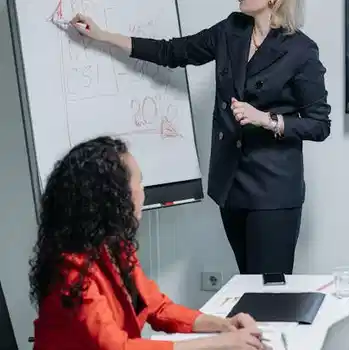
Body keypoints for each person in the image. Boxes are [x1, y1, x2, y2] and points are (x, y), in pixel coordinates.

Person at [69, 0, 331, 275]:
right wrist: (103, 36)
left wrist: (265, 119)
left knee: (268, 293)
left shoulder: (300, 50)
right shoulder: (232, 30)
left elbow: (319, 124)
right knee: (247, 283)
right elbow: (171, 52)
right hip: (232, 185)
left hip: (273, 190)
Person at [30, 136, 267, 350]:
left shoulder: (117, 248)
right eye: (138, 183)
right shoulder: (70, 270)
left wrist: (226, 325)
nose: (143, 192)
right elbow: (116, 347)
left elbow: (158, 308)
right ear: (112, 197)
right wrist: (220, 344)